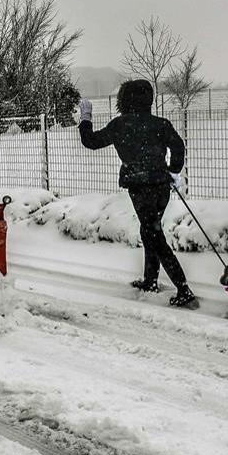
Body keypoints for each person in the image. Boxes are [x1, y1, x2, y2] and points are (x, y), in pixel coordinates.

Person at [78, 79, 197, 309]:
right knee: (150, 229)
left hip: (140, 187)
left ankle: (184, 289)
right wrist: (173, 170)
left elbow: (91, 142)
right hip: (161, 185)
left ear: (125, 100)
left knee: (153, 233)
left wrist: (85, 118)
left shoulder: (121, 125)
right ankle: (150, 280)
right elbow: (178, 146)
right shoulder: (160, 124)